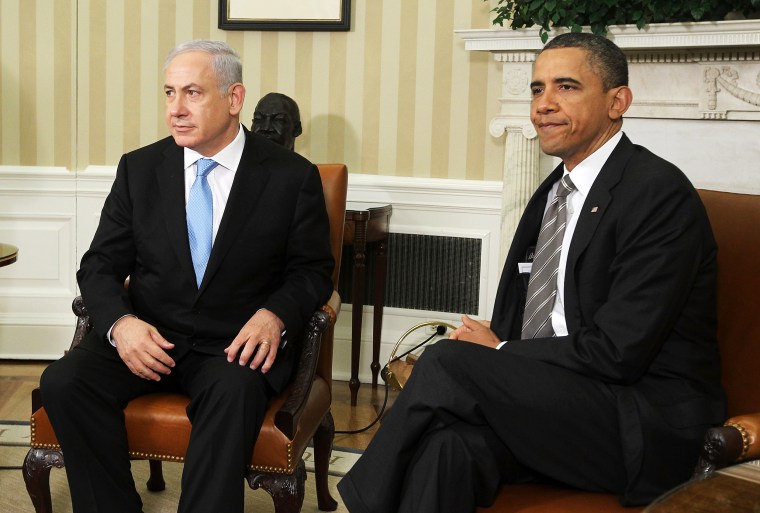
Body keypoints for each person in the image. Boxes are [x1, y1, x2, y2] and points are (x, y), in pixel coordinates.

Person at [337, 32, 726, 513]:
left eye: (566, 87)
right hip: (559, 404)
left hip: (641, 420)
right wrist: (497, 343)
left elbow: (620, 353)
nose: (544, 105)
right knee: (448, 449)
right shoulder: (552, 194)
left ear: (617, 101)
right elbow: (517, 318)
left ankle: (359, 502)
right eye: (537, 89)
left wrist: (500, 352)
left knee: (443, 363)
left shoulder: (658, 195)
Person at [39, 40, 334, 513]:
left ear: (234, 98)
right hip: (151, 335)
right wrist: (121, 325)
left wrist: (275, 316)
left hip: (234, 345)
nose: (176, 109)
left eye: (192, 93)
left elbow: (313, 271)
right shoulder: (139, 169)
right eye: (169, 93)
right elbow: (99, 265)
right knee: (64, 382)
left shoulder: (290, 176)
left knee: (233, 394)